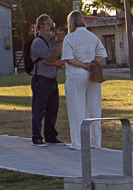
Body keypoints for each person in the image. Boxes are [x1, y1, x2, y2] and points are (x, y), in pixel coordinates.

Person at [61, 17, 108, 147]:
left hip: (76, 75)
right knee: (94, 108)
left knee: (76, 109)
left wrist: (83, 65)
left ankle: (78, 142)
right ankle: (95, 141)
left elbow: (68, 58)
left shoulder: (69, 38)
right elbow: (103, 55)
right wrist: (92, 63)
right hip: (92, 74)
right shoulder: (93, 36)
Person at [28, 14, 64, 146]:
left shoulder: (50, 41)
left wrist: (53, 61)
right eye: (48, 24)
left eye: (51, 23)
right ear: (40, 26)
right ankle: (36, 136)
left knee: (52, 109)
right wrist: (59, 44)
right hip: (41, 80)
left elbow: (56, 59)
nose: (51, 26)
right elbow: (51, 58)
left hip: (52, 79)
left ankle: (50, 135)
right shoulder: (38, 42)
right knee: (39, 109)